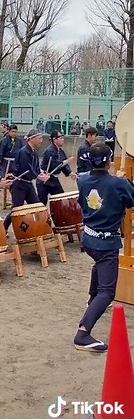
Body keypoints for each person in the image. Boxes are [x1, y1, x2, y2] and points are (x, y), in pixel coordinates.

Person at [74, 143, 134, 352]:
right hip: (106, 243)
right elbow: (130, 199)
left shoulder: (81, 180)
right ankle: (83, 332)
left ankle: (92, 300)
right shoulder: (118, 184)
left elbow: (84, 201)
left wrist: (117, 181)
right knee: (107, 292)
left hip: (89, 239)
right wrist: (123, 180)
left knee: (98, 266)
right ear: (109, 161)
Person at [4, 129, 50, 232]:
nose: (41, 141)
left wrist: (41, 173)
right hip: (19, 184)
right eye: (39, 138)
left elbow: (36, 168)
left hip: (28, 184)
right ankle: (4, 228)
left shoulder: (34, 152)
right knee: (16, 209)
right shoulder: (24, 151)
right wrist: (38, 177)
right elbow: (27, 169)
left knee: (37, 206)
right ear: (32, 138)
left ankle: (41, 228)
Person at [37, 131, 76, 205]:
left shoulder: (61, 151)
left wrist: (70, 173)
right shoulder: (49, 151)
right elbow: (54, 165)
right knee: (42, 202)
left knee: (60, 199)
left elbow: (64, 165)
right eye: (60, 137)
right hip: (44, 179)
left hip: (53, 180)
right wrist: (66, 161)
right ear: (54, 139)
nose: (63, 139)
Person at [0, 124, 23, 206]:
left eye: (15, 132)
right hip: (5, 162)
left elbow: (21, 151)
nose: (14, 133)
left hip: (14, 162)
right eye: (12, 131)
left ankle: (15, 200)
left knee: (15, 180)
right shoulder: (4, 140)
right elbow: (0, 152)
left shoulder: (19, 141)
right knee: (0, 178)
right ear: (9, 131)